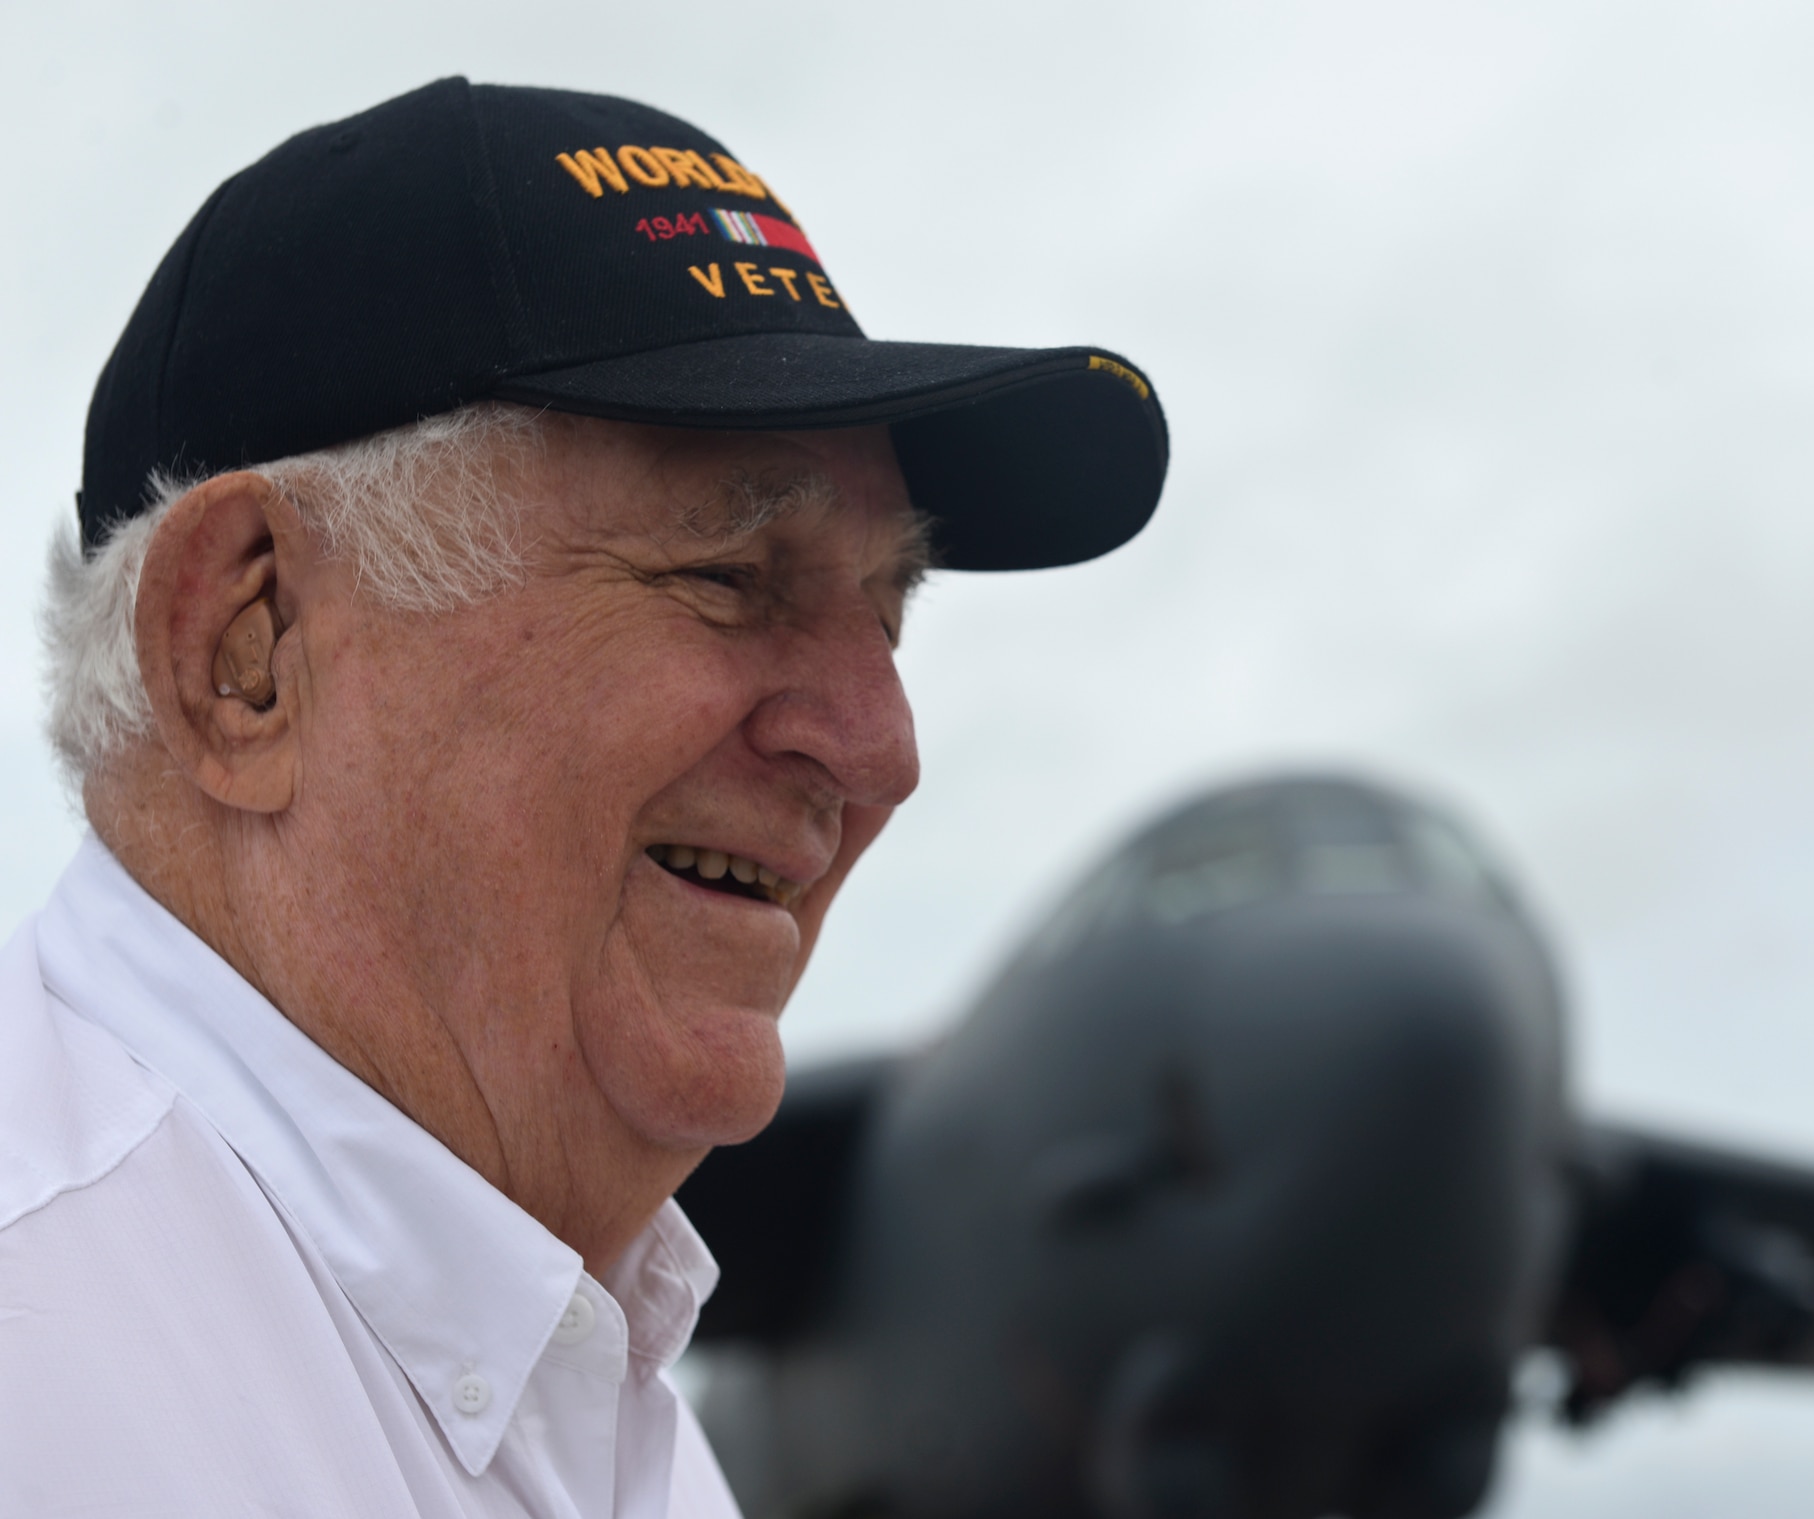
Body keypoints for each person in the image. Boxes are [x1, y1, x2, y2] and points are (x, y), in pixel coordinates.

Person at [0, 79, 1166, 1517]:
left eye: (889, 614)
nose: (880, 749)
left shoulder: (613, 1418)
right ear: (244, 653)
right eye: (731, 579)